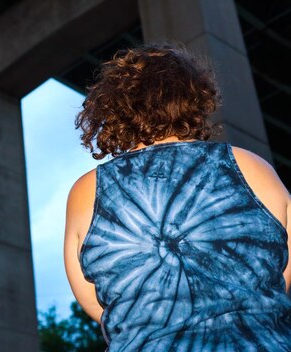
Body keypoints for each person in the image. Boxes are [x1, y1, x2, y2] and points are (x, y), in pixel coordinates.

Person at [63, 43, 291, 351]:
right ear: (195, 99)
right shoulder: (254, 168)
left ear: (114, 108)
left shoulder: (87, 190)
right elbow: (281, 275)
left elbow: (94, 301)